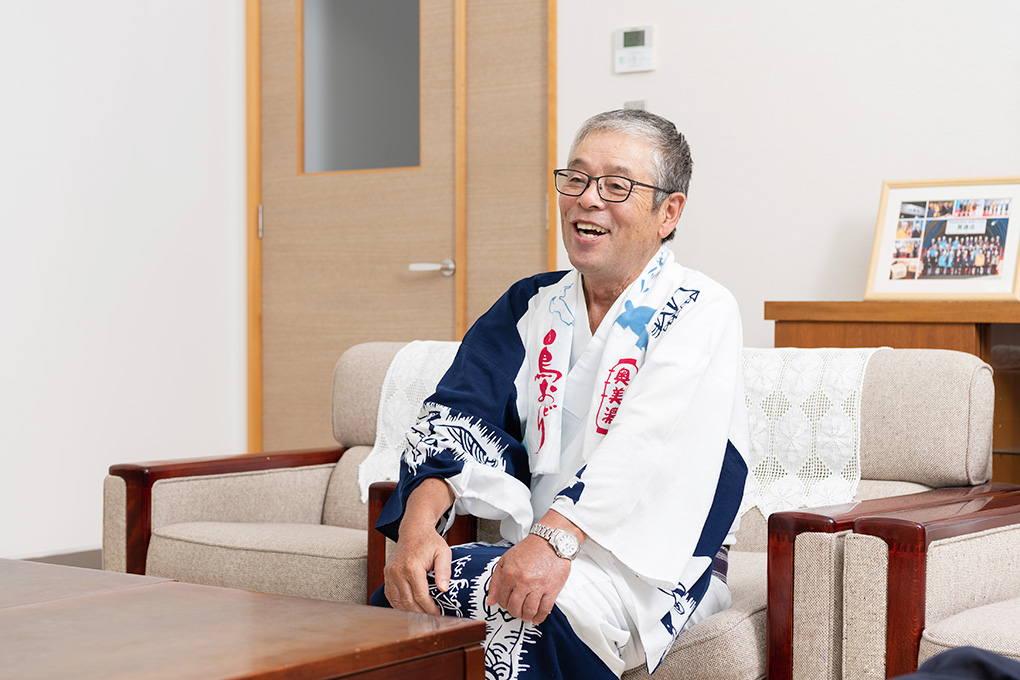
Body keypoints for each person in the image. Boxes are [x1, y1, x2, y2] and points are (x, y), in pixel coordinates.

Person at [371, 109, 750, 679]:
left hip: (653, 565)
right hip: (537, 541)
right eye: (575, 179)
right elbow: (457, 413)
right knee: (404, 596)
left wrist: (553, 544)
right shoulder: (531, 303)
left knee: (528, 619)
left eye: (616, 186)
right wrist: (418, 529)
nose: (587, 199)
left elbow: (646, 442)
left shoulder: (700, 307)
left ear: (668, 212)